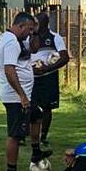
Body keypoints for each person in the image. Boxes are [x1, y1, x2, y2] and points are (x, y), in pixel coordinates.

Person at [0, 12, 48, 171]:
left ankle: (36, 151)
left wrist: (35, 32)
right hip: (15, 97)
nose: (30, 33)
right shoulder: (11, 42)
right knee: (15, 135)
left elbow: (33, 48)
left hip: (22, 95)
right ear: (21, 26)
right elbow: (9, 70)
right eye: (29, 29)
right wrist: (22, 96)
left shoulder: (17, 38)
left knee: (37, 115)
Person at [29, 11, 70, 147]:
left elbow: (64, 58)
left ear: (44, 24)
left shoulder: (55, 37)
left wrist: (47, 68)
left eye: (36, 23)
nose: (34, 26)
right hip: (31, 77)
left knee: (47, 108)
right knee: (29, 106)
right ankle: (27, 134)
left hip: (48, 77)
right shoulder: (29, 37)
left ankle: (44, 135)